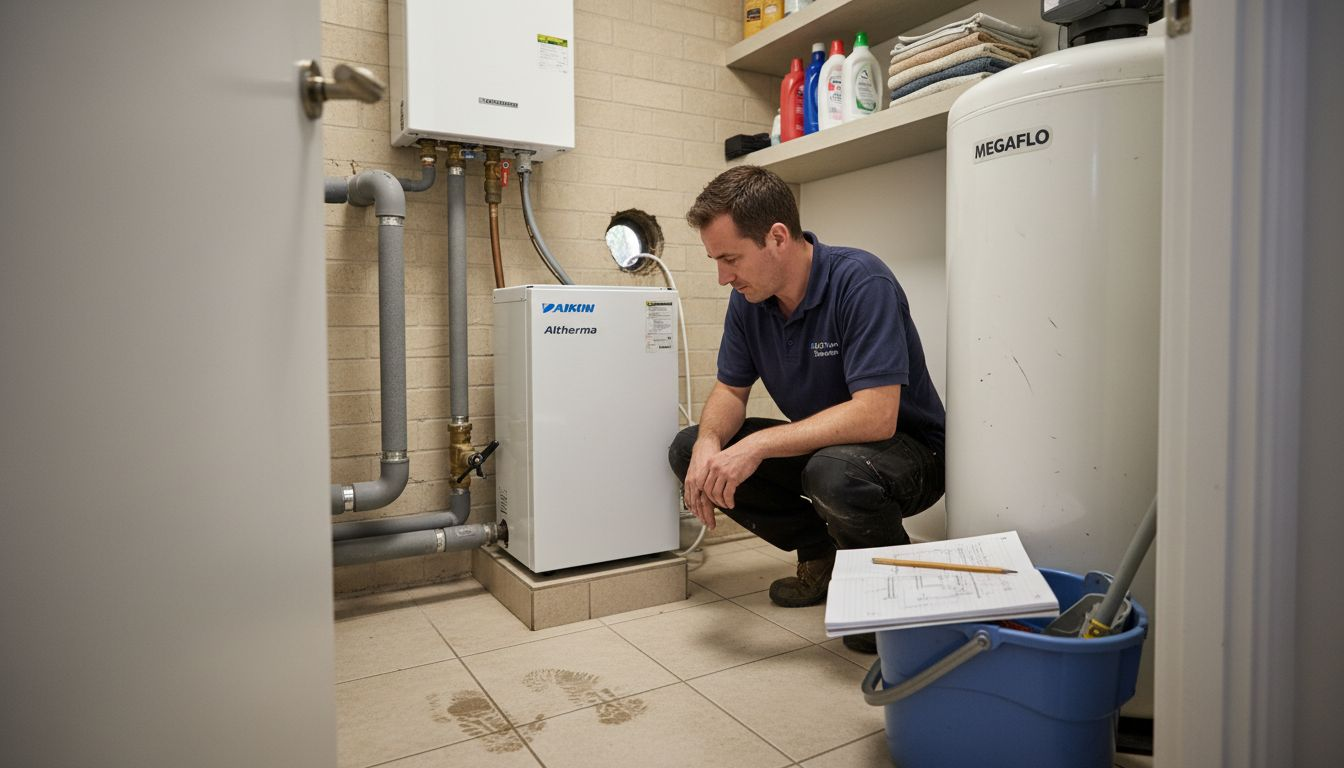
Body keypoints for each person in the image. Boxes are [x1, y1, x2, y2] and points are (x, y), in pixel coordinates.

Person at [668, 166, 946, 654]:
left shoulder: (860, 281)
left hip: (909, 453)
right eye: (716, 261)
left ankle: (890, 589)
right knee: (689, 448)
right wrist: (710, 443)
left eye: (730, 258)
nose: (722, 277)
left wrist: (757, 445)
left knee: (833, 472)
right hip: (828, 452)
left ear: (777, 237)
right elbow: (730, 391)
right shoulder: (749, 299)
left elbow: (876, 415)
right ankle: (822, 552)